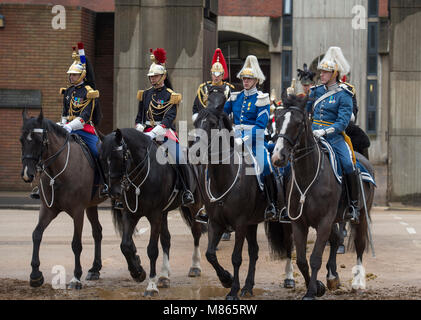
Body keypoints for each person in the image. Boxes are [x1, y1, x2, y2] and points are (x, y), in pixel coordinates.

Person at [30, 43, 108, 199]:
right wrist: (61, 124)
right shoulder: (68, 91)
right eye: (70, 74)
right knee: (48, 148)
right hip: (68, 127)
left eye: (74, 74)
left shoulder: (89, 92)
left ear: (82, 75)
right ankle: (42, 186)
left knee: (97, 152)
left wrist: (69, 127)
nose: (71, 77)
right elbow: (65, 113)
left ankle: (105, 184)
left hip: (84, 129)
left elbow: (85, 116)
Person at [224, 55, 288, 222]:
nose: (245, 81)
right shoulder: (234, 97)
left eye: (249, 79)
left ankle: (272, 204)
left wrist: (242, 140)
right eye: (244, 78)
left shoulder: (262, 99)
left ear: (256, 80)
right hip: (233, 138)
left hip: (254, 141)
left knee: (266, 165)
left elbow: (260, 126)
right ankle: (209, 204)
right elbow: (222, 116)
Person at [306, 46, 360, 224]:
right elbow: (305, 113)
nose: (321, 75)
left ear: (334, 74)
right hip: (313, 135)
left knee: (347, 163)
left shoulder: (344, 94)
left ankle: (352, 204)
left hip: (334, 137)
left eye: (325, 72)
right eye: (321, 72)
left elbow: (343, 122)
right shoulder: (315, 92)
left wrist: (325, 131)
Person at [134, 48, 194, 207]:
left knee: (180, 158)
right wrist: (139, 127)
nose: (152, 79)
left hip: (164, 133)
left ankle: (186, 191)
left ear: (163, 76)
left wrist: (154, 132)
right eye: (151, 77)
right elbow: (139, 115)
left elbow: (169, 118)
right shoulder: (145, 94)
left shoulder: (170, 95)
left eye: (155, 76)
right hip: (146, 132)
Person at [193, 48, 234, 224]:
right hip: (204, 129)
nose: (216, 76)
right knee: (194, 162)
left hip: (223, 130)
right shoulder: (203, 88)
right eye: (214, 73)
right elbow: (195, 109)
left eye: (219, 73)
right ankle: (200, 200)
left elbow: (231, 111)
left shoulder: (229, 90)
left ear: (223, 73)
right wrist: (200, 120)